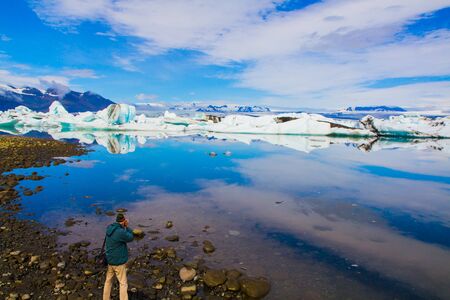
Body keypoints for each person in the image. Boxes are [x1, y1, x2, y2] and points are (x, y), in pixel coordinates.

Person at [103, 213, 134, 300]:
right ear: (123, 221)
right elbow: (131, 237)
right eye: (125, 221)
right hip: (118, 262)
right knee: (123, 283)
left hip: (110, 260)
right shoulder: (120, 232)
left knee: (108, 281)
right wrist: (127, 227)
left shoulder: (109, 228)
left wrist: (123, 226)